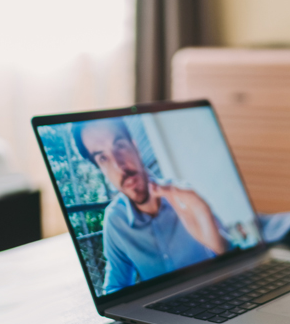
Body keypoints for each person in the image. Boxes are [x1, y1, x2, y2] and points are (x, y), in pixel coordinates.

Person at [72, 118, 229, 294]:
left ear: (135, 146)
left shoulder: (183, 194)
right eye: (103, 158)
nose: (119, 166)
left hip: (214, 294)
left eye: (120, 146)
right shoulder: (115, 221)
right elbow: (115, 289)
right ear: (101, 169)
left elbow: (231, 254)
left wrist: (219, 244)